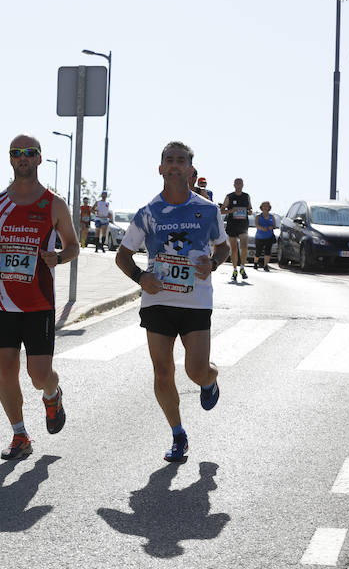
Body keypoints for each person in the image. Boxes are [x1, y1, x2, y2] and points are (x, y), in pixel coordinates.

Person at [115, 141, 230, 462]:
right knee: (163, 371)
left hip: (196, 301)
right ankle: (178, 435)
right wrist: (141, 278)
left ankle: (210, 380)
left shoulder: (208, 210)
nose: (175, 165)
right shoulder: (148, 213)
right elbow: (122, 256)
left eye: (181, 161)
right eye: (170, 160)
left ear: (190, 170)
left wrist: (214, 263)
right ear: (160, 168)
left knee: (197, 370)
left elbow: (223, 247)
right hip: (158, 301)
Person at [0, 134, 79, 461]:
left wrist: (58, 257)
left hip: (39, 303)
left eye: (29, 152)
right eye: (16, 152)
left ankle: (52, 394)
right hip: (2, 301)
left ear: (39, 159)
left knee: (39, 375)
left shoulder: (54, 204)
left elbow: (73, 246)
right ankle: (20, 435)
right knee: (6, 369)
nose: (23, 157)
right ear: (10, 159)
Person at [220, 178, 252, 281]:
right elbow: (221, 210)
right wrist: (231, 211)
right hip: (232, 225)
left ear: (243, 185)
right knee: (234, 249)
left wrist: (250, 212)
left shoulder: (246, 196)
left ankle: (242, 267)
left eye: (240, 183)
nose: (238, 185)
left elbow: (250, 208)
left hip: (243, 225)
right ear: (234, 185)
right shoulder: (229, 196)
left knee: (244, 246)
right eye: (237, 183)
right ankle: (234, 269)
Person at [254, 201, 276, 271]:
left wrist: (271, 227)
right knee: (258, 252)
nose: (265, 207)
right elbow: (256, 225)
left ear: (269, 208)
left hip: (269, 236)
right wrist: (262, 228)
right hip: (259, 237)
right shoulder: (258, 216)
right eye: (264, 206)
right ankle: (255, 262)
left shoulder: (272, 216)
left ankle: (265, 265)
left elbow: (274, 225)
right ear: (261, 207)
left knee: (267, 251)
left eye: (267, 206)